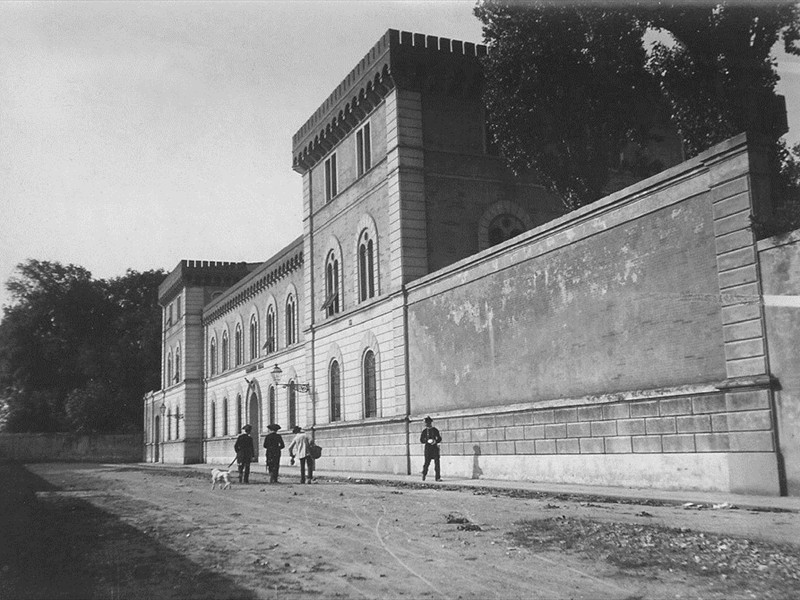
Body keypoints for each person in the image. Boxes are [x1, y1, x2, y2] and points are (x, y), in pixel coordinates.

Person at [420, 416, 442, 481]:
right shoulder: (424, 431)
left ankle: (437, 477)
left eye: (426, 423)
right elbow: (421, 440)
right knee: (427, 462)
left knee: (437, 463)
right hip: (428, 448)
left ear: (430, 423)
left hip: (435, 448)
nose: (425, 424)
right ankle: (424, 474)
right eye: (425, 423)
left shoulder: (435, 430)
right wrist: (427, 441)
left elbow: (439, 438)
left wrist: (436, 441)